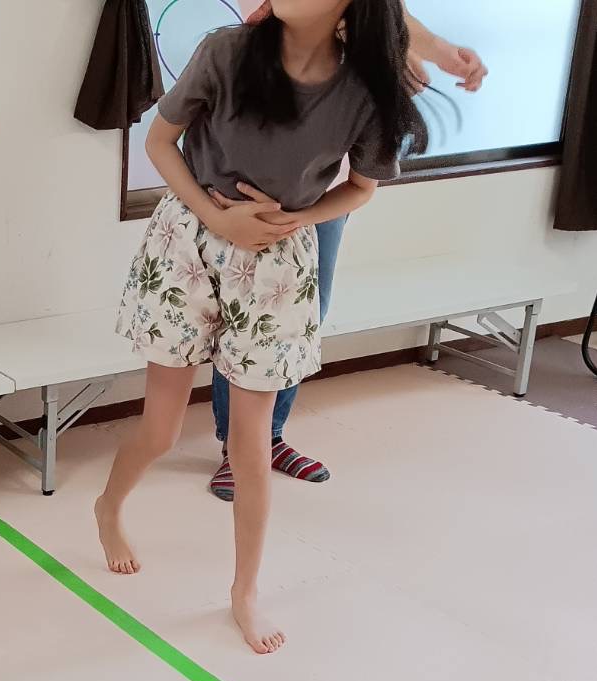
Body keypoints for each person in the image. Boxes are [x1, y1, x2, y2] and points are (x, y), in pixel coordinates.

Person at [97, 0, 429, 653]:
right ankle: (108, 507)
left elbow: (361, 187)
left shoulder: (365, 89)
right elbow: (160, 142)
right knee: (161, 431)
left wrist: (297, 218)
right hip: (187, 240)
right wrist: (216, 217)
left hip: (275, 260)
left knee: (250, 445)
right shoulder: (226, 50)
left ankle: (243, 593)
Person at [206, 0, 487, 501]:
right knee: (247, 317)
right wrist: (390, 54)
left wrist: (436, 51)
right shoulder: (250, 39)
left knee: (305, 313)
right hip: (252, 183)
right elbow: (280, 24)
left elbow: (384, 12)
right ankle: (239, 448)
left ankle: (268, 438)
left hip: (323, 187)